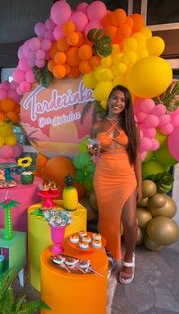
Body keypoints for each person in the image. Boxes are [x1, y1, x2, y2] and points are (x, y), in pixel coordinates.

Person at [88, 85, 142, 285]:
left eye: (123, 100)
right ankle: (110, 254)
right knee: (108, 221)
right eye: (115, 98)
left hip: (126, 178)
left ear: (126, 104)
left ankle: (129, 258)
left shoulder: (131, 125)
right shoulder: (97, 125)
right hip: (103, 177)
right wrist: (92, 152)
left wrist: (140, 184)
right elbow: (93, 150)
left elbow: (136, 157)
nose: (118, 103)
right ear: (108, 99)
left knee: (130, 222)